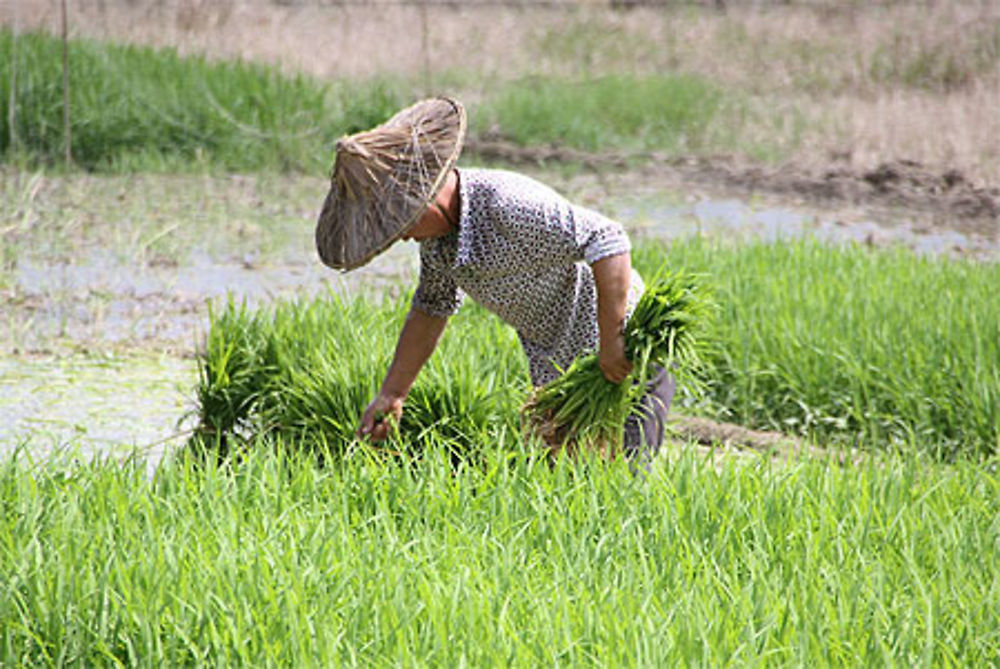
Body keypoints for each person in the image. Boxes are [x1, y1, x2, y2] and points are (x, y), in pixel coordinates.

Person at [315, 97, 674, 466]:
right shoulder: (440, 245)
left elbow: (608, 239)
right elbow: (431, 307)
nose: (403, 237)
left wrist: (613, 342)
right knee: (568, 488)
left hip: (625, 357)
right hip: (562, 373)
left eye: (403, 224)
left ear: (425, 199)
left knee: (624, 481)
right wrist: (392, 394)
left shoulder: (506, 205)